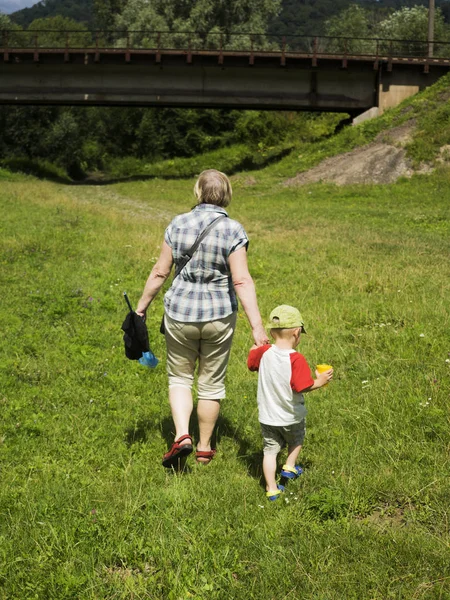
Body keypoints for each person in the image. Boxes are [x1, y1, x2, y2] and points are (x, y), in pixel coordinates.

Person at [136, 169, 269, 468]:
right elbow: (242, 281)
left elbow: (160, 272)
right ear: (227, 195)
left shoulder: (178, 224)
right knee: (211, 383)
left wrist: (141, 308)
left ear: (198, 192)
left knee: (180, 377)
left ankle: (183, 435)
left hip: (180, 313)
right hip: (219, 315)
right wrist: (257, 326)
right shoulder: (234, 229)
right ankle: (205, 449)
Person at [247, 305, 333, 501]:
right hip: (291, 416)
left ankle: (271, 489)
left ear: (271, 332)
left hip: (267, 417)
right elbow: (301, 386)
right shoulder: (296, 359)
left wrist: (255, 347)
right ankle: (289, 466)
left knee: (270, 452)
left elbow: (251, 363)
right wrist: (320, 381)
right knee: (296, 441)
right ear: (296, 332)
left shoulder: (264, 352)